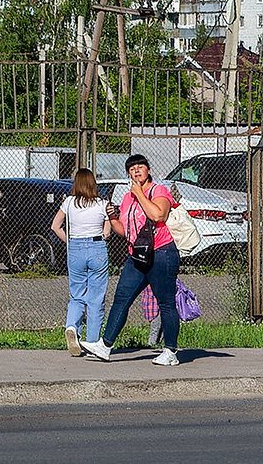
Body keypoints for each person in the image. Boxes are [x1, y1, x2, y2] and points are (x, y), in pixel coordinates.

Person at [83, 154, 182, 367]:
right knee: (122, 298)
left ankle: (170, 351)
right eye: (132, 168)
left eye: (140, 167)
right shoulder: (128, 198)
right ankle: (105, 345)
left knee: (165, 302)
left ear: (148, 170)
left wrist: (140, 193)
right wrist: (112, 217)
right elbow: (126, 231)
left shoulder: (158, 191)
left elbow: (158, 215)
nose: (136, 171)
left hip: (161, 253)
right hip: (137, 255)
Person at [50, 168, 112, 358]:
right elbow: (107, 232)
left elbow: (55, 226)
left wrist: (71, 241)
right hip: (96, 247)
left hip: (75, 247)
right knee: (96, 298)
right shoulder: (102, 204)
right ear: (93, 183)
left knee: (77, 295)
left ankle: (71, 326)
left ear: (75, 183)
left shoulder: (68, 203)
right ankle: (92, 343)